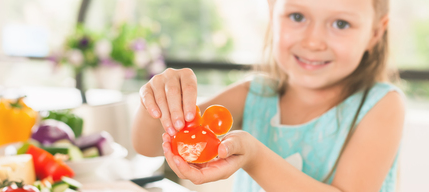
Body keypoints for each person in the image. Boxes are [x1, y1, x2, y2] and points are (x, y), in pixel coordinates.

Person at [131, 0, 405, 191]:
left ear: (375, 33)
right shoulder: (255, 94)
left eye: (342, 24)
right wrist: (159, 101)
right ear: (273, 11)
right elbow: (150, 146)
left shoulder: (381, 104)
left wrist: (256, 158)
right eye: (297, 17)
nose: (313, 41)